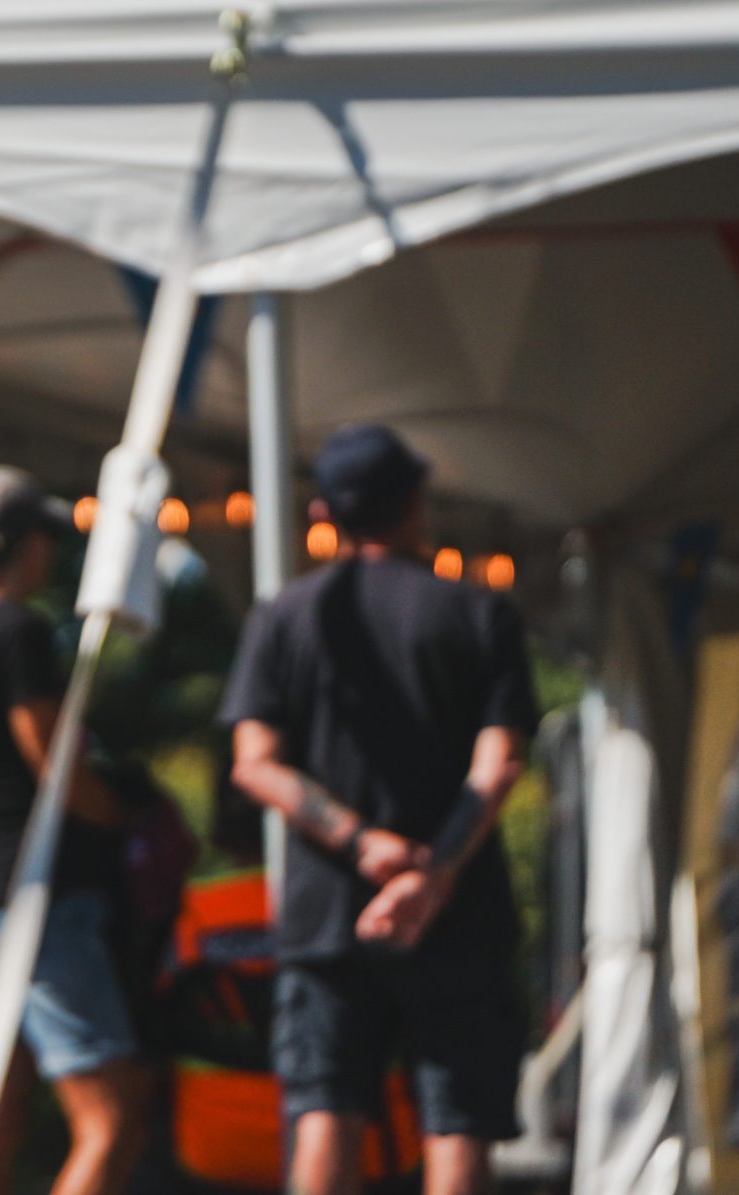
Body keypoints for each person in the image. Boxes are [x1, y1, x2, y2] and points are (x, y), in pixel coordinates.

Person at [221, 423, 537, 1195]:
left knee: (325, 1107)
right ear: (416, 502)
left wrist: (362, 843)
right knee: (457, 1120)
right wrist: (432, 875)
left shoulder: (283, 617)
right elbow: (498, 764)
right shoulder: (478, 611)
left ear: (324, 513)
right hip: (458, 914)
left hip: (329, 914)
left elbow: (255, 764)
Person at [0, 467, 147, 1195]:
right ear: (23, 544)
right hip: (35, 899)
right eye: (46, 536)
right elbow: (51, 759)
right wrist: (120, 813)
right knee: (112, 1122)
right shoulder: (17, 629)